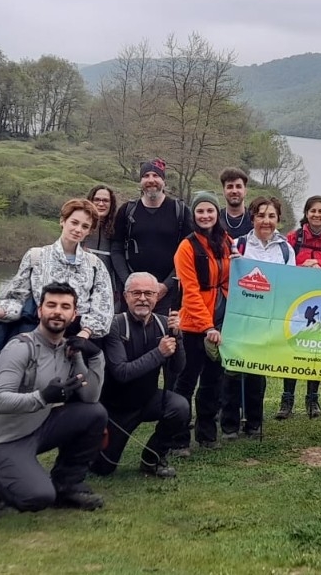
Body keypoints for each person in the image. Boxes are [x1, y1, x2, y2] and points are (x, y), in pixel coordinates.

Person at [0, 282, 107, 519]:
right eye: (51, 305)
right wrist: (43, 396)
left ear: (73, 314)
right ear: (39, 311)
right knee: (38, 497)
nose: (58, 311)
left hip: (37, 428)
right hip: (1, 439)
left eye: (65, 307)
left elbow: (90, 396)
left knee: (94, 413)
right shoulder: (20, 347)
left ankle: (67, 486)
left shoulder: (68, 349)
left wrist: (95, 355)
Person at [91, 272, 188, 478]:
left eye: (148, 293)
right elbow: (121, 373)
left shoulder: (164, 323)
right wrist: (159, 353)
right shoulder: (115, 325)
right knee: (102, 469)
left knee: (180, 407)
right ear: (125, 297)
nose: (142, 298)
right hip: (116, 408)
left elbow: (178, 368)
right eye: (136, 293)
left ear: (157, 297)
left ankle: (152, 458)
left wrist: (177, 337)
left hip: (148, 399)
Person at [0, 198, 113, 342]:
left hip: (76, 338)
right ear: (62, 221)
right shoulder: (36, 256)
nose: (78, 230)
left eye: (85, 226)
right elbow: (16, 299)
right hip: (37, 335)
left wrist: (84, 334)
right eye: (74, 222)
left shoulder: (95, 265)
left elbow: (103, 308)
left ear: (89, 231)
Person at [221, 195, 294, 440]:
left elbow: (290, 286)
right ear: (252, 217)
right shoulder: (238, 244)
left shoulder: (285, 249)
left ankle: (254, 422)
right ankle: (230, 424)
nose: (266, 221)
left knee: (256, 372)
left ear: (278, 220)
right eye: (261, 215)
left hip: (267, 319)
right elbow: (226, 279)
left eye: (271, 216)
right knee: (232, 370)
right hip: (239, 316)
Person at [171, 191, 231, 454]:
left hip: (220, 323)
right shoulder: (186, 247)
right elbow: (191, 291)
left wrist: (224, 319)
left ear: (217, 214)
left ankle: (207, 435)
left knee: (213, 382)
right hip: (195, 326)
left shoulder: (225, 241)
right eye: (200, 211)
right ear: (193, 215)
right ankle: (178, 437)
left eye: (210, 211)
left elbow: (229, 279)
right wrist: (207, 326)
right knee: (186, 382)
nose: (205, 216)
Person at [277, 195, 321, 419]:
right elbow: (283, 268)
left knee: (316, 350)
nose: (317, 215)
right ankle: (287, 399)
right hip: (296, 305)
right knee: (292, 349)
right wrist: (302, 265)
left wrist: (319, 265)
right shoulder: (292, 238)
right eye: (312, 211)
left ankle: (312, 399)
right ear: (306, 213)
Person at [111, 158, 194, 315]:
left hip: (168, 294)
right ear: (140, 181)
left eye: (156, 176)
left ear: (163, 180)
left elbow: (188, 254)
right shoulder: (127, 210)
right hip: (132, 293)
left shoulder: (180, 211)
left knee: (165, 337)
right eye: (146, 176)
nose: (151, 180)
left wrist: (166, 285)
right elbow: (117, 249)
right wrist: (129, 283)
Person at [85, 184, 122, 312]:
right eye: (97, 200)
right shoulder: (80, 228)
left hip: (108, 290)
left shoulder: (117, 229)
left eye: (105, 200)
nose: (101, 204)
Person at [219, 167, 254, 239]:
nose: (234, 191)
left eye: (238, 186)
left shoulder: (254, 219)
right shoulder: (216, 219)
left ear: (245, 191)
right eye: (230, 187)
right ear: (223, 191)